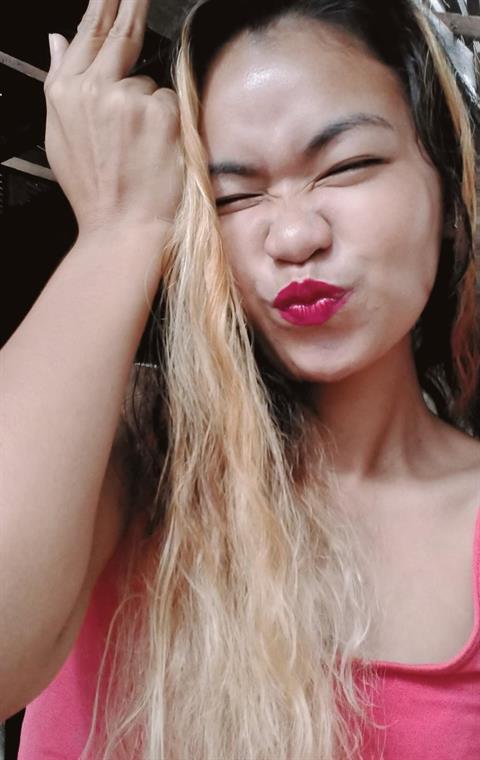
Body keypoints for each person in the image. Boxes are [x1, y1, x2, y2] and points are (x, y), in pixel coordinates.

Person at [1, 0, 478, 757]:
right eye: (231, 197)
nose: (294, 236)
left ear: (448, 189)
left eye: (348, 166)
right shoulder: (129, 451)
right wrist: (119, 227)